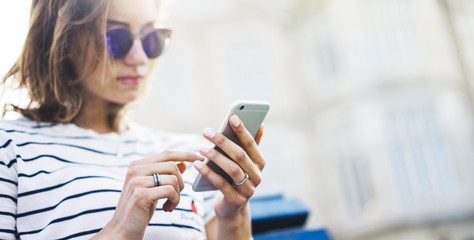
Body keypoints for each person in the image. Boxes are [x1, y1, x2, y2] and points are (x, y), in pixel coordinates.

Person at [0, 0, 266, 239]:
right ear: (63, 39)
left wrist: (233, 214)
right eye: (115, 39)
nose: (139, 59)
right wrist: (120, 231)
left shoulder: (192, 155)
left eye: (153, 38)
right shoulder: (10, 146)